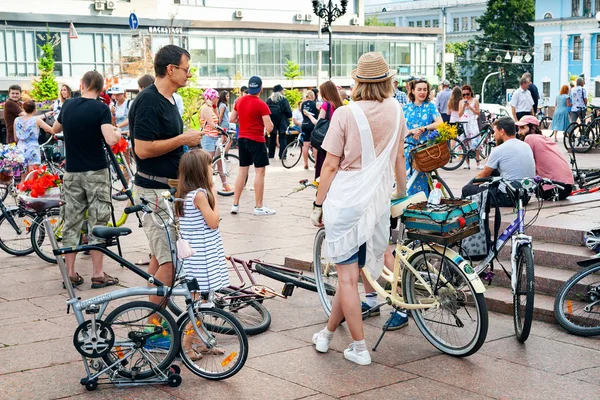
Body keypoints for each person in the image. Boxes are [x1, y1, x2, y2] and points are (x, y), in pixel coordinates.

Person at [309, 52, 407, 366]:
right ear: (387, 80)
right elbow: (399, 159)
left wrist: (318, 203)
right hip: (378, 202)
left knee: (347, 278)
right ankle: (326, 334)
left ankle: (360, 348)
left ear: (358, 81)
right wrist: (400, 195)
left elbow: (329, 166)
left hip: (346, 200)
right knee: (350, 276)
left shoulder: (345, 114)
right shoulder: (396, 110)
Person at [129, 45, 203, 307]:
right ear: (170, 70)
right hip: (154, 190)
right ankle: (152, 327)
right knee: (170, 262)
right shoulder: (149, 101)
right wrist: (183, 138)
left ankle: (152, 309)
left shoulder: (170, 100)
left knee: (159, 257)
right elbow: (143, 149)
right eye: (186, 69)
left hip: (166, 189)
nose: (189, 75)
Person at [50, 70, 122, 288]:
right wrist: (118, 133)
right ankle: (98, 274)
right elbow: (110, 139)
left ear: (82, 84)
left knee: (71, 221)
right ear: (101, 89)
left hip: (72, 172)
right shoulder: (101, 108)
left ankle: (70, 273)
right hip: (96, 172)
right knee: (98, 221)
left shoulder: (68, 105)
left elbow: (55, 129)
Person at [175, 149, 229, 359]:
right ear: (200, 171)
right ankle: (187, 346)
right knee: (199, 305)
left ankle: (202, 341)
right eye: (209, 167)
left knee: (201, 302)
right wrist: (214, 195)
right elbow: (213, 222)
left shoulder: (184, 195)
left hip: (193, 256)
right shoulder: (200, 195)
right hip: (203, 256)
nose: (212, 170)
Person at [461, 117, 535, 207]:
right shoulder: (526, 145)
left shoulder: (499, 150)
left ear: (502, 131)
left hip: (507, 197)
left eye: (495, 132)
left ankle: (463, 208)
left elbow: (482, 176)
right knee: (494, 172)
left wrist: (472, 186)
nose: (494, 135)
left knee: (467, 189)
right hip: (525, 197)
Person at [229, 76, 275, 216]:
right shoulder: (261, 104)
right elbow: (270, 127)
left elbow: (232, 119)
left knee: (242, 171)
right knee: (260, 172)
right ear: (261, 88)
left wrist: (243, 120)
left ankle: (235, 204)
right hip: (256, 140)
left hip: (242, 139)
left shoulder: (239, 101)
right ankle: (259, 207)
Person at [516, 115, 574, 200]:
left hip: (554, 189)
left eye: (522, 128)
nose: (519, 132)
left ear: (533, 128)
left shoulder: (529, 138)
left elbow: (525, 163)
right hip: (567, 186)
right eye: (518, 128)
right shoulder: (546, 138)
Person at [403, 78, 443, 195]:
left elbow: (440, 123)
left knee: (423, 181)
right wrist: (412, 131)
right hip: (408, 150)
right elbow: (400, 130)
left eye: (425, 90)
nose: (422, 92)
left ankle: (421, 206)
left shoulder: (430, 107)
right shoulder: (405, 108)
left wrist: (424, 128)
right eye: (419, 89)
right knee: (407, 180)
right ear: (413, 91)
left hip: (424, 151)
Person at [304, 81, 344, 180]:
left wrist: (308, 115)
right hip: (337, 139)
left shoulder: (326, 105)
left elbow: (318, 123)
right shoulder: (340, 105)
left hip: (326, 140)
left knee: (323, 166)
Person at [107, 85, 132, 201]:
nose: (115, 97)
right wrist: (112, 114)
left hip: (129, 134)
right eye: (114, 94)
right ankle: (125, 187)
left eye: (118, 94)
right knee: (125, 163)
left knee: (135, 160)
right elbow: (113, 122)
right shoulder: (114, 105)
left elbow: (131, 118)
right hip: (120, 136)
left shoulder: (129, 104)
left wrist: (118, 126)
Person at [14, 100, 53, 173]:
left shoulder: (17, 120)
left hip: (20, 150)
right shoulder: (37, 120)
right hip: (32, 149)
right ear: (35, 110)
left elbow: (16, 138)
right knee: (32, 178)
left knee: (23, 179)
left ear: (23, 109)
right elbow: (52, 130)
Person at [266, 84, 292, 159]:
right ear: (280, 91)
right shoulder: (284, 100)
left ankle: (271, 154)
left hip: (272, 120)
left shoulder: (269, 100)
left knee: (272, 137)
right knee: (283, 138)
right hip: (282, 121)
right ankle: (282, 155)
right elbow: (289, 113)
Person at [458, 85, 482, 170]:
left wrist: (470, 107)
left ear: (470, 92)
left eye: (467, 94)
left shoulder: (475, 100)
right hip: (464, 123)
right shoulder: (461, 102)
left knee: (475, 143)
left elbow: (478, 113)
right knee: (465, 143)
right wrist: (464, 106)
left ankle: (478, 163)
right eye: (463, 94)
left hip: (472, 122)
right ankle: (467, 163)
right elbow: (459, 114)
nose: (466, 96)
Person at [301, 91, 318, 170]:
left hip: (304, 124)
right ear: (312, 96)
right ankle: (316, 163)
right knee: (314, 145)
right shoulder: (315, 104)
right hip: (313, 125)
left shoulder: (302, 104)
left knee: (305, 145)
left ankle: (305, 163)